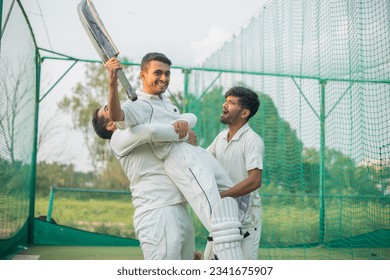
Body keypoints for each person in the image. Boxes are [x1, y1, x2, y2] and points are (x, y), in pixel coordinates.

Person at [93, 53, 244, 259]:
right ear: (110, 124)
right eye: (158, 73)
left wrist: (185, 125)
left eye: (167, 73)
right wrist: (112, 83)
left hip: (179, 207)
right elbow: (149, 131)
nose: (164, 78)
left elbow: (172, 127)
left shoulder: (163, 105)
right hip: (157, 211)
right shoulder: (120, 138)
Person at [207, 86, 264, 260]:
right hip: (224, 217)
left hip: (246, 222)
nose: (225, 105)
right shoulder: (220, 138)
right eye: (226, 101)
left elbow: (255, 181)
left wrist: (222, 196)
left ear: (244, 113)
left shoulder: (252, 140)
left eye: (231, 103)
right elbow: (202, 161)